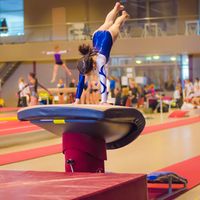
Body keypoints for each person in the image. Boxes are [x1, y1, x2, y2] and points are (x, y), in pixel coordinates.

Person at [74, 2, 129, 104]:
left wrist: (104, 101)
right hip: (96, 35)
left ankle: (124, 16)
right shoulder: (84, 61)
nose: (88, 75)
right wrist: (76, 101)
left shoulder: (100, 61)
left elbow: (103, 81)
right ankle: (116, 8)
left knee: (117, 24)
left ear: (92, 67)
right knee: (108, 22)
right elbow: (80, 83)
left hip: (107, 38)